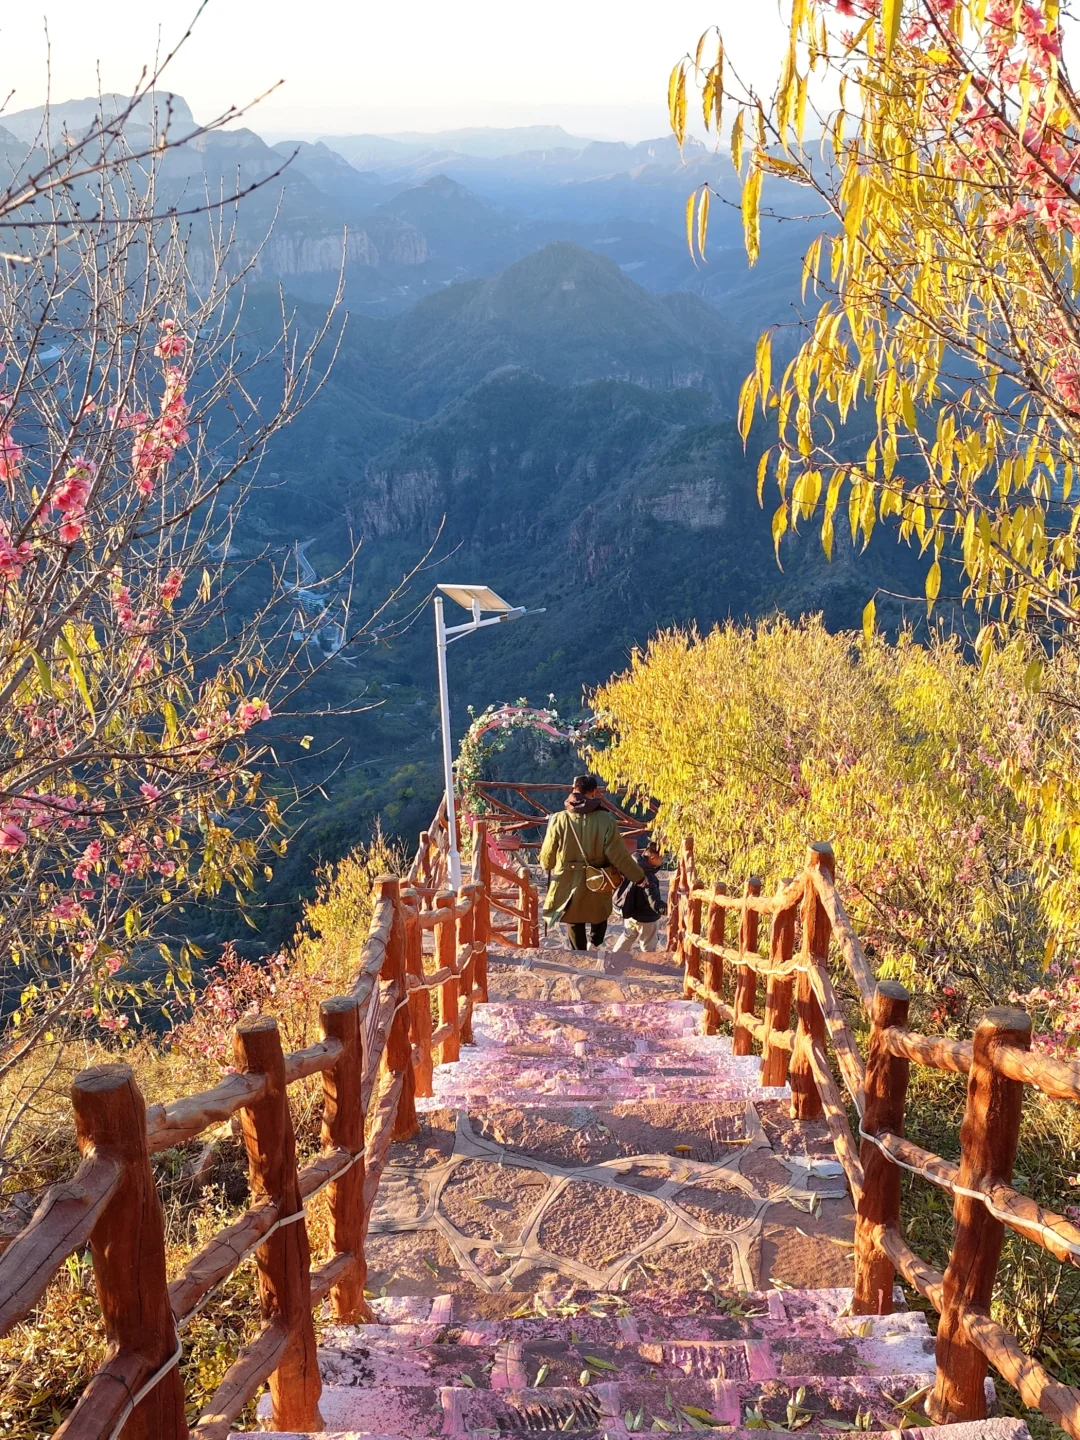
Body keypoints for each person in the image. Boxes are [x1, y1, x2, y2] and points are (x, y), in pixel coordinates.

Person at [540, 775, 644, 950]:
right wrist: (639, 877)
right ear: (594, 792)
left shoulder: (559, 819)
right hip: (598, 878)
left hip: (568, 878)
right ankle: (594, 944)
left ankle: (579, 953)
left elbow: (547, 854)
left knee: (573, 917)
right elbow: (618, 854)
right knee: (599, 913)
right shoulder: (606, 820)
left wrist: (546, 864)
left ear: (574, 789)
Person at [611, 840, 664, 953]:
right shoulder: (649, 878)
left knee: (627, 937)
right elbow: (655, 904)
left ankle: (613, 958)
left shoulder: (630, 864)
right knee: (648, 946)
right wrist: (672, 908)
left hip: (629, 912)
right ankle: (649, 967)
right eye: (661, 858)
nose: (662, 861)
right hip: (646, 918)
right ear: (653, 858)